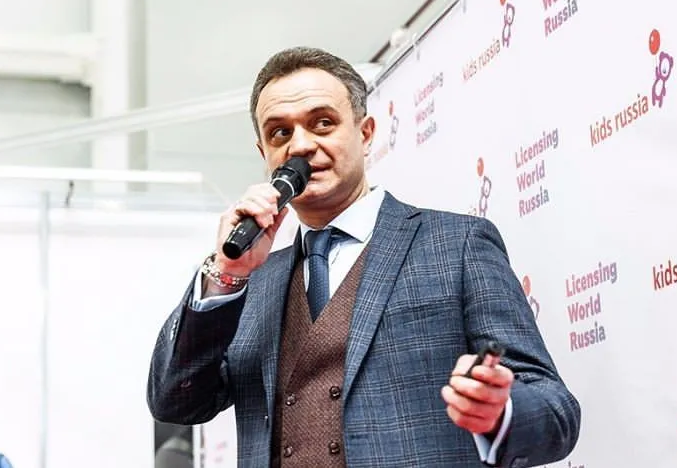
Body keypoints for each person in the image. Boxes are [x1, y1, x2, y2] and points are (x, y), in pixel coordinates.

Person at [147, 46, 581, 468]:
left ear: (366, 133)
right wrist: (226, 274)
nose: (300, 145)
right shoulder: (250, 284)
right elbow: (176, 400)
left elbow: (555, 410)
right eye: (280, 133)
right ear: (265, 154)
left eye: (322, 123)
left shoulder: (457, 244)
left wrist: (500, 412)